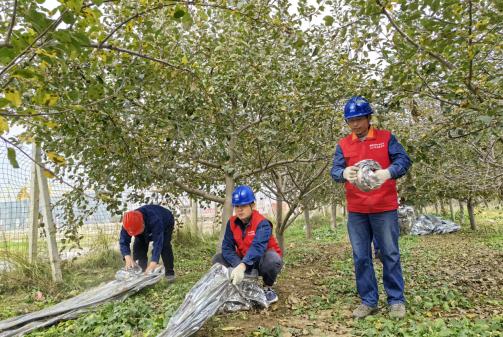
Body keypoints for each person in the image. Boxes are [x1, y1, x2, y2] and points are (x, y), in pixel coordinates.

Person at [331, 96, 411, 319]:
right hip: (357, 210)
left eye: (358, 119)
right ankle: (369, 300)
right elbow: (335, 171)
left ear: (368, 117)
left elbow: (404, 161)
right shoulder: (344, 144)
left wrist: (388, 172)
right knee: (361, 256)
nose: (355, 124)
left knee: (389, 254)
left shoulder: (386, 138)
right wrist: (343, 173)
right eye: (350, 121)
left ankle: (396, 300)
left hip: (384, 208)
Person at [212, 185, 283, 304]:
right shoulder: (232, 223)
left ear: (253, 205)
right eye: (237, 206)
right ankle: (236, 285)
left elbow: (258, 247)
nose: (240, 209)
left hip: (261, 261)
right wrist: (238, 264)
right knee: (218, 259)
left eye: (244, 206)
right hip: (243, 261)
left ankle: (267, 288)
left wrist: (243, 266)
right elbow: (227, 247)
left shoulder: (263, 223)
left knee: (273, 259)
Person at [119, 204, 176, 282]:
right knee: (139, 246)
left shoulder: (155, 219)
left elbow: (158, 242)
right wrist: (127, 256)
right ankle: (141, 273)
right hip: (144, 227)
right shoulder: (127, 223)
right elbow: (123, 241)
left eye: (137, 231)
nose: (136, 235)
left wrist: (153, 262)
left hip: (166, 221)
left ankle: (170, 273)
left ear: (142, 223)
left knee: (164, 245)